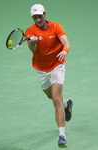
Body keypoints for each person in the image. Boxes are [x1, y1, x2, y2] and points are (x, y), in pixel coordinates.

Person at [25, 4, 73, 148]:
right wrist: (31, 43)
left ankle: (62, 136)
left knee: (56, 100)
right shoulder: (29, 31)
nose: (38, 19)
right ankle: (67, 104)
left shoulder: (56, 26)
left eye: (40, 16)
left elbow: (66, 42)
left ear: (45, 14)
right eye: (35, 17)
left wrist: (65, 50)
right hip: (41, 69)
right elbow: (32, 49)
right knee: (51, 96)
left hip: (57, 65)